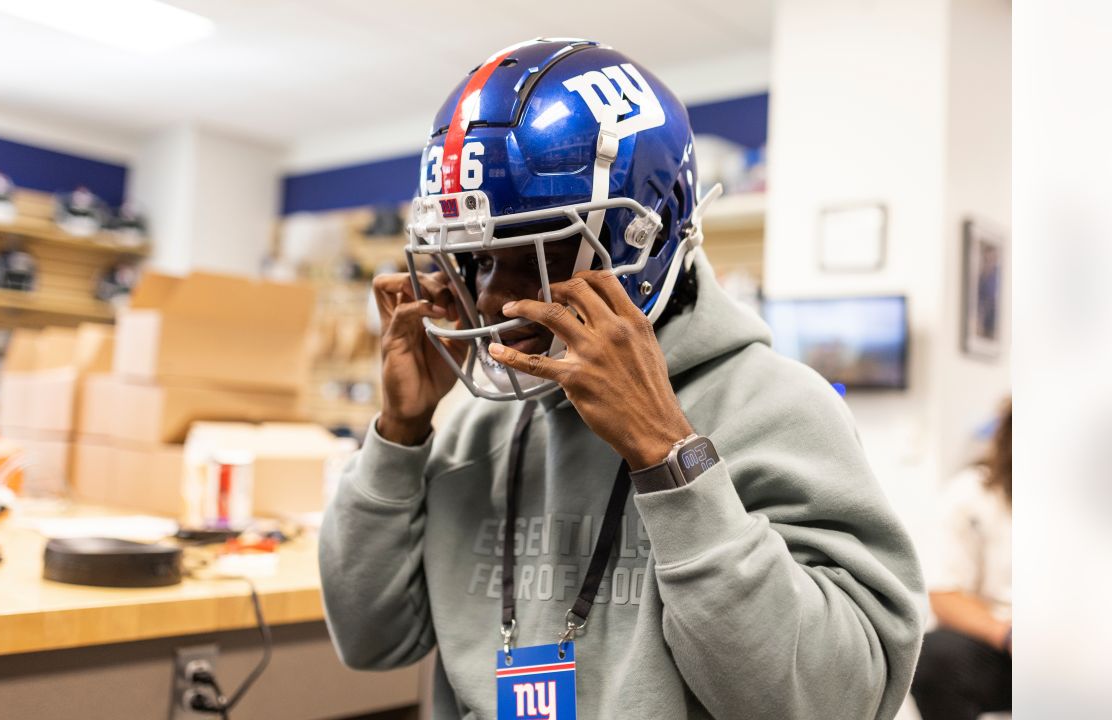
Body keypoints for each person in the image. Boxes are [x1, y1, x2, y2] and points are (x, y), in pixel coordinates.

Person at [319, 38, 925, 720]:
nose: (488, 300)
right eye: (479, 262)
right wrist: (399, 436)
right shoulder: (473, 424)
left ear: (643, 237)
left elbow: (835, 702)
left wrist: (670, 459)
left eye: (533, 255)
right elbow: (373, 641)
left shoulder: (781, 409)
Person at [911, 401, 1012, 719]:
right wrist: (1006, 635)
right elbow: (943, 593)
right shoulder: (970, 495)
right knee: (934, 657)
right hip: (1002, 645)